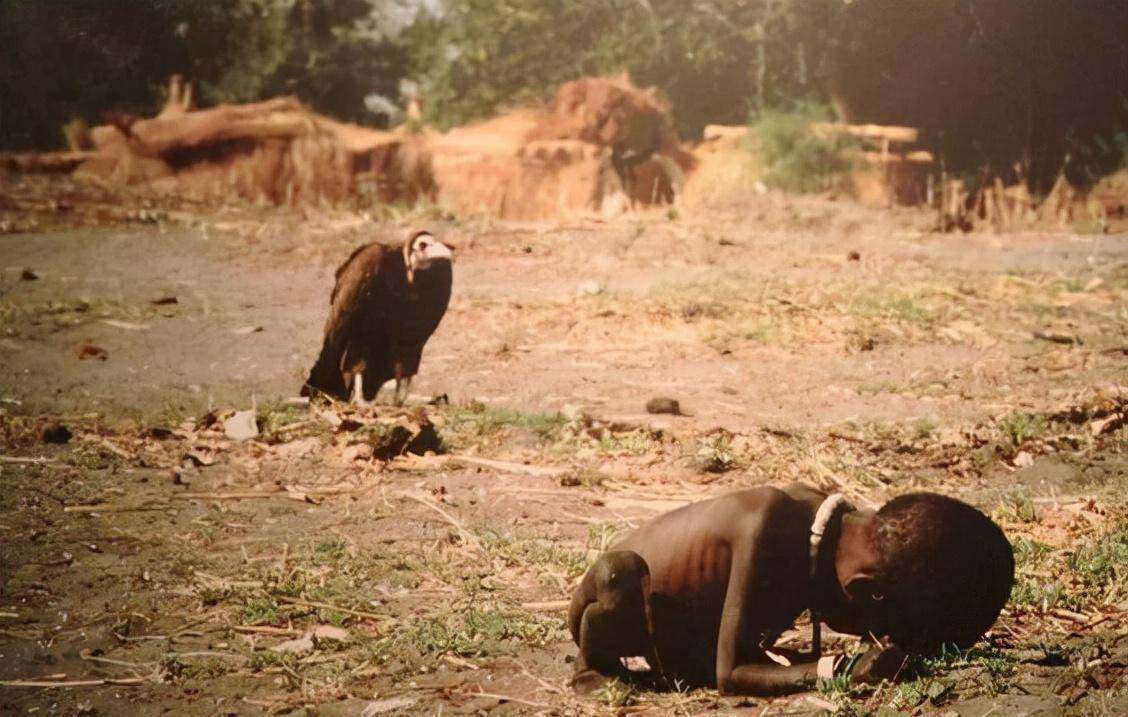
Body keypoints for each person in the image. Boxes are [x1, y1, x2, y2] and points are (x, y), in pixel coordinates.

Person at [568, 484, 1014, 695]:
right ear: (864, 592)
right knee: (619, 575)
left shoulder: (826, 536)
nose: (868, 640)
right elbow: (730, 675)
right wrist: (835, 670)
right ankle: (592, 668)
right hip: (622, 600)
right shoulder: (771, 528)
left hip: (682, 634)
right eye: (876, 630)